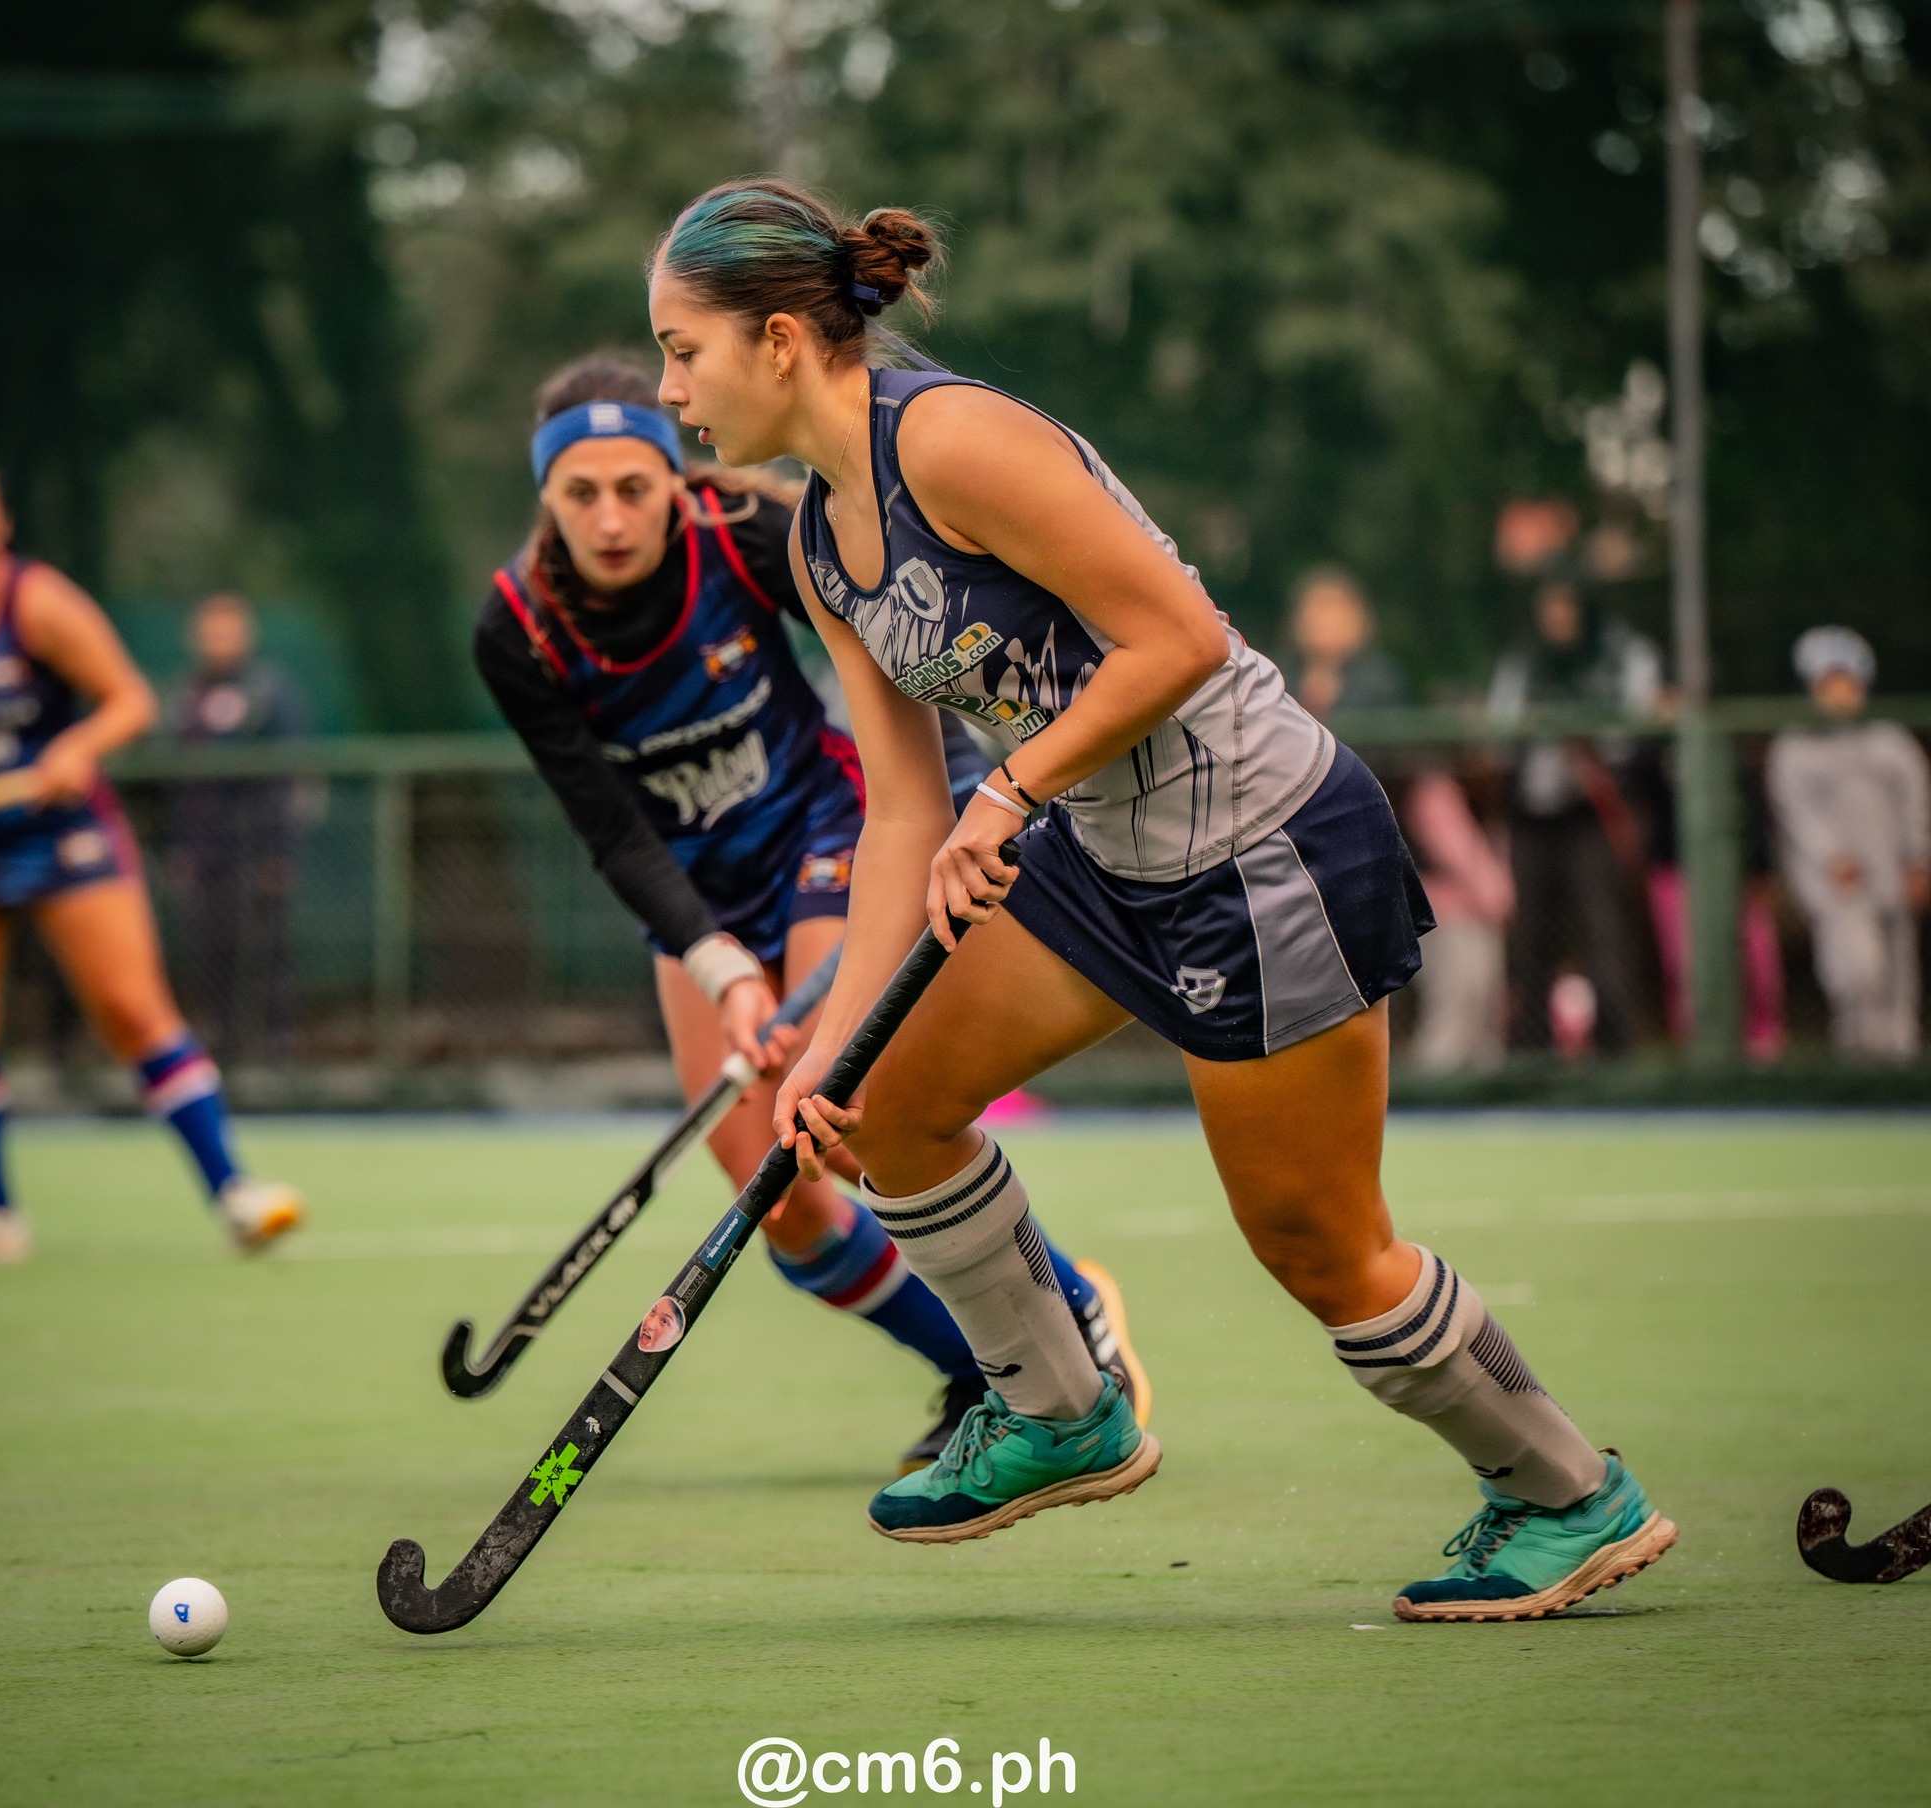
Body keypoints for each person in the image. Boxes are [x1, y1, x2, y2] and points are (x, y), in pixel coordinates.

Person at [647, 179, 1676, 1619]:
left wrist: (1014, 789)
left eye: (680, 350)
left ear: (774, 340)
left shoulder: (950, 439)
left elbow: (1179, 635)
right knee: (885, 1107)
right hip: (1102, 855)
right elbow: (902, 813)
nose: (668, 389)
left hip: (1263, 846)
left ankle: (1567, 1491)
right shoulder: (822, 542)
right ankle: (1064, 1412)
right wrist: (828, 1054)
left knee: (1318, 1245)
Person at [473, 356, 1145, 1471]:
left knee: (836, 1124)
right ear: (544, 497)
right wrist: (719, 964)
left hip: (823, 833)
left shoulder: (745, 528)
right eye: (578, 493)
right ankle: (984, 1364)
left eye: (632, 487)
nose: (607, 517)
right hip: (694, 896)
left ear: (674, 480)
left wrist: (939, 815)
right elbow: (613, 829)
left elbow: (891, 653)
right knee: (779, 1207)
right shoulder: (517, 628)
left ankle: (1067, 1322)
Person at [0, 458, 304, 1264]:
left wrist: (76, 746)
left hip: (61, 834)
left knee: (130, 1009)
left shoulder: (38, 604)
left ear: (0, 523)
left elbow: (132, 700)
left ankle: (235, 1192)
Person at [1487, 568, 1661, 1054]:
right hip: (1533, 815)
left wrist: (1582, 725)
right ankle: (1530, 1054)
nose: (1559, 619)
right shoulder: (1525, 660)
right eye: (1550, 608)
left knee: (1603, 933)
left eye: (1568, 607)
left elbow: (1635, 731)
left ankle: (1616, 1054)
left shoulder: (1622, 653)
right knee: (1529, 941)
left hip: (1594, 813)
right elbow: (1499, 737)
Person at [1767, 627, 1930, 1060]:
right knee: (1855, 969)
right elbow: (1797, 815)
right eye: (1828, 682)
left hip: (1890, 869)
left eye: (1846, 680)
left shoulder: (1891, 741)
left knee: (1898, 977)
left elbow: (1916, 801)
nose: (1839, 692)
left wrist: (1918, 859)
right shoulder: (1794, 747)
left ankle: (1899, 1065)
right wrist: (1831, 856)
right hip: (1836, 883)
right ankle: (1858, 1058)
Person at [166, 592, 311, 1064]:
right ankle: (221, 1054)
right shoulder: (184, 697)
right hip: (205, 853)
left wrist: (280, 851)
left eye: (229, 630)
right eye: (211, 631)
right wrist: (179, 849)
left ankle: (276, 1052)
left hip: (257, 848)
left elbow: (294, 774)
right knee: (211, 953)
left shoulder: (272, 692)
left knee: (267, 953)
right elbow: (172, 781)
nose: (220, 641)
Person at [1402, 765, 1513, 1071]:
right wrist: (1496, 897)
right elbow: (1456, 851)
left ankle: (1486, 1098)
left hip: (1480, 918)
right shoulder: (1435, 788)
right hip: (1447, 916)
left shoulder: (1487, 792)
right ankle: (1432, 1098)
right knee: (1453, 1006)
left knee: (1485, 1012)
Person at [1280, 566, 1407, 720]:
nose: (1321, 620)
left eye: (1330, 608)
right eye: (1314, 608)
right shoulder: (1277, 678)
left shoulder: (1380, 681)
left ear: (1357, 619)